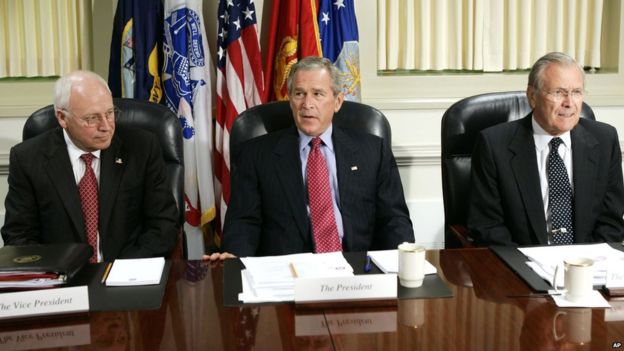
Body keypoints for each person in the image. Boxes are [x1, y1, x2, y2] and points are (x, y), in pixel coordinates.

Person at [216, 56, 414, 257]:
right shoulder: (256, 154)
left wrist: (402, 263)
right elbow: (243, 222)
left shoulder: (373, 151)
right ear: (290, 100)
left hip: (356, 268)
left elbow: (394, 219)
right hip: (288, 271)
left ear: (337, 101)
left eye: (318, 94)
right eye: (299, 93)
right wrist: (234, 259)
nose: (307, 104)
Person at [1, 70, 179, 261]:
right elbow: (19, 235)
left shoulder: (142, 147)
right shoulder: (28, 158)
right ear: (62, 118)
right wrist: (55, 273)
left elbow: (164, 224)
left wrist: (123, 270)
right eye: (92, 118)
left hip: (128, 273)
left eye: (110, 113)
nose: (106, 126)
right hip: (62, 276)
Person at [468, 52, 624, 246]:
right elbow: (488, 227)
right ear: (532, 97)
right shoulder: (493, 145)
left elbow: (611, 222)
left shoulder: (604, 140)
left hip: (586, 265)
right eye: (558, 92)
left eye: (576, 92)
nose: (569, 103)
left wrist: (585, 265)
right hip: (523, 264)